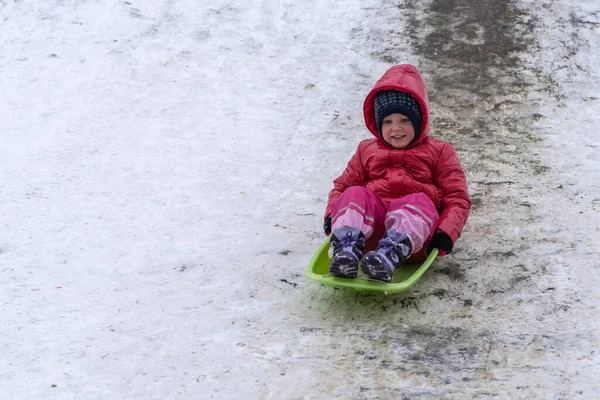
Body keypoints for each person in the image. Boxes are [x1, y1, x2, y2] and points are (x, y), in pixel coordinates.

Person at [323, 64, 471, 282]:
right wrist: (331, 215)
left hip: (415, 240)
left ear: (419, 121)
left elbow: (457, 197)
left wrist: (446, 232)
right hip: (369, 235)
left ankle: (388, 255)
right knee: (355, 192)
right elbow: (342, 187)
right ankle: (347, 249)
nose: (396, 128)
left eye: (405, 120)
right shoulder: (366, 150)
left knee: (421, 200)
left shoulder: (439, 152)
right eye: (388, 121)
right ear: (377, 123)